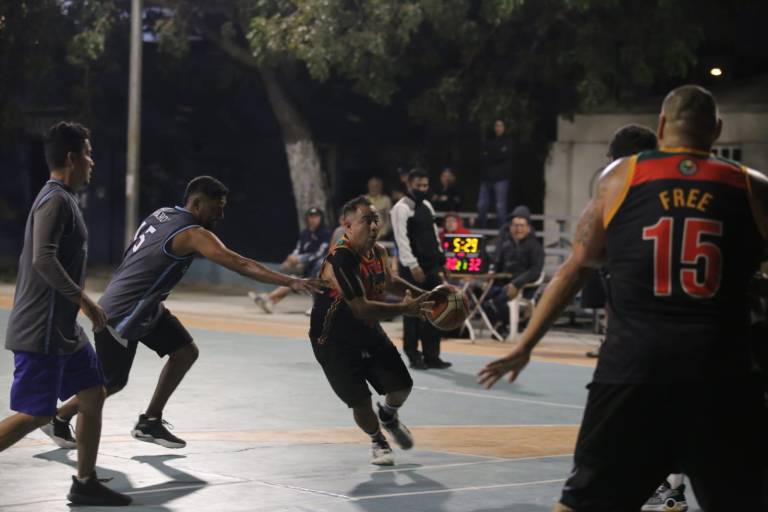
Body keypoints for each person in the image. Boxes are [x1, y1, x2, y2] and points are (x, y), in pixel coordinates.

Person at [478, 85, 768, 511]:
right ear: (717, 130)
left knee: (581, 504)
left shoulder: (620, 177)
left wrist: (524, 346)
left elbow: (574, 269)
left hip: (634, 371)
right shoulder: (752, 186)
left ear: (662, 126)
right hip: (721, 375)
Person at [45, 176, 324, 450]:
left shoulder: (161, 214)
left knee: (185, 352)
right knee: (111, 382)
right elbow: (240, 264)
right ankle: (58, 418)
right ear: (198, 204)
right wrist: (290, 280)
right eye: (218, 206)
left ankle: (150, 421)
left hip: (147, 306)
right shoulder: (193, 234)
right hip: (123, 312)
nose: (221, 214)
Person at [0, 122, 130, 505]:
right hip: (41, 328)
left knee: (93, 393)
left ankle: (84, 482)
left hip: (63, 329)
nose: (93, 162)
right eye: (88, 154)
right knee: (34, 414)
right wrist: (86, 301)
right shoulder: (55, 199)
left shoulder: (64, 199)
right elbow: (43, 257)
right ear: (72, 158)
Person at [310, 195, 433, 465]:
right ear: (347, 224)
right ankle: (378, 439)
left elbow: (388, 281)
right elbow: (362, 308)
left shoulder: (378, 252)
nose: (374, 226)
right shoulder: (341, 259)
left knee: (402, 388)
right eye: (367, 220)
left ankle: (388, 415)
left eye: (376, 219)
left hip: (367, 331)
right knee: (361, 403)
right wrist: (405, 309)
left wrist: (426, 296)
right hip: (333, 341)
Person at [391, 168, 452, 370]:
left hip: (432, 265)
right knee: (413, 312)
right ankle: (413, 355)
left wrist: (442, 262)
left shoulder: (426, 205)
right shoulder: (401, 208)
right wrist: (412, 264)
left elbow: (435, 235)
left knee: (435, 310)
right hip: (413, 268)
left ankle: (432, 356)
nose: (423, 189)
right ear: (409, 185)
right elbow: (401, 240)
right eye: (419, 186)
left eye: (425, 185)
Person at [251, 207, 331, 313]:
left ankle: (267, 298)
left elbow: (320, 253)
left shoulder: (326, 234)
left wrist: (299, 259)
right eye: (311, 217)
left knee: (302, 275)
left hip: (317, 271)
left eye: (316, 217)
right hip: (305, 270)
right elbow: (298, 249)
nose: (313, 219)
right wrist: (290, 259)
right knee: (292, 279)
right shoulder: (305, 233)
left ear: (321, 218)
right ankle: (269, 301)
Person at [483, 206, 544, 338]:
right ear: (510, 227)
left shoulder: (535, 246)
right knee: (480, 297)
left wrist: (516, 284)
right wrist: (491, 274)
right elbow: (497, 264)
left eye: (522, 226)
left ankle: (504, 325)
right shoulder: (505, 245)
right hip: (503, 283)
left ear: (528, 227)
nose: (518, 229)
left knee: (498, 300)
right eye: (515, 225)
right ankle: (501, 326)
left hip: (523, 286)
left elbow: (535, 270)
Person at [477, 119, 513, 228]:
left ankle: (502, 232)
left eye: (500, 126)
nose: (498, 128)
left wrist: (491, 154)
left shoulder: (508, 141)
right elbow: (484, 155)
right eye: (496, 125)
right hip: (487, 178)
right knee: (481, 205)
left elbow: (503, 155)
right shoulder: (488, 140)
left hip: (501, 178)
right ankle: (482, 230)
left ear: (504, 127)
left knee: (500, 206)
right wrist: (496, 153)